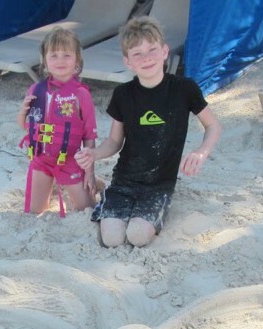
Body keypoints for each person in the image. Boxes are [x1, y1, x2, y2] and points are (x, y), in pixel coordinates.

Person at [75, 16, 222, 248]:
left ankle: (148, 214)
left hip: (159, 185)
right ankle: (108, 192)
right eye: (138, 54)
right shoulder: (123, 94)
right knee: (112, 238)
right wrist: (93, 154)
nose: (147, 58)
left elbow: (213, 125)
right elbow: (114, 141)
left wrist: (201, 153)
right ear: (128, 62)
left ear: (165, 51)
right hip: (125, 179)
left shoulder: (184, 89)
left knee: (138, 236)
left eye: (152, 50)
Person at [17, 26, 98, 215]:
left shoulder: (81, 94)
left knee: (86, 209)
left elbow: (89, 136)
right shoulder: (36, 90)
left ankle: (95, 184)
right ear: (44, 61)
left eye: (66, 55)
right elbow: (26, 127)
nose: (60, 60)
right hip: (40, 159)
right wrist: (22, 113)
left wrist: (90, 172)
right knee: (33, 211)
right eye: (54, 55)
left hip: (69, 160)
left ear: (77, 61)